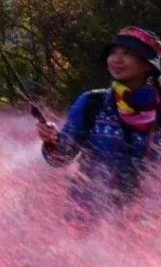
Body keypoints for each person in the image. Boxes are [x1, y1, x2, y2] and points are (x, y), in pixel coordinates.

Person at [37, 26, 161, 219]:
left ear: (147, 64)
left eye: (127, 54)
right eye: (113, 53)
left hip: (142, 226)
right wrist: (51, 140)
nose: (117, 60)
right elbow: (60, 158)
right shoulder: (92, 103)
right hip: (86, 219)